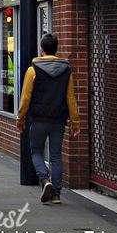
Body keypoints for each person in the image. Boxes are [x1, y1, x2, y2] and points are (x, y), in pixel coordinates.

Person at [17, 33, 80, 205]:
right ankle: (56, 194)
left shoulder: (33, 70)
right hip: (58, 119)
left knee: (36, 151)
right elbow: (71, 98)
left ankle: (45, 180)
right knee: (56, 156)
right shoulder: (66, 70)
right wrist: (75, 121)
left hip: (38, 118)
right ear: (56, 48)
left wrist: (20, 118)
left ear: (42, 49)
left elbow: (25, 98)